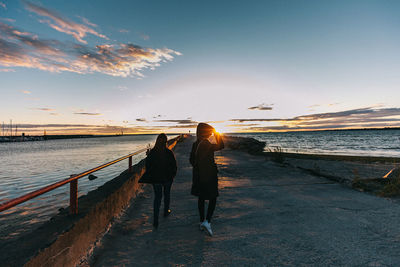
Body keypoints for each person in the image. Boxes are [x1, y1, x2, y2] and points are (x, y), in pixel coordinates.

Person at [190, 123, 224, 236]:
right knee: (213, 197)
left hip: (199, 176)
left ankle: (201, 221)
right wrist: (217, 133)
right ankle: (207, 221)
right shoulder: (207, 144)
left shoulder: (195, 144)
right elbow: (221, 145)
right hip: (209, 175)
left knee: (201, 197)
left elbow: (191, 161)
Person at [139, 133, 177, 228]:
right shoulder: (169, 153)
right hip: (167, 178)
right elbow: (174, 166)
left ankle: (156, 219)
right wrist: (172, 176)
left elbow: (148, 166)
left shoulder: (152, 153)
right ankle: (166, 211)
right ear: (166, 142)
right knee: (167, 194)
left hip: (156, 179)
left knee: (157, 198)